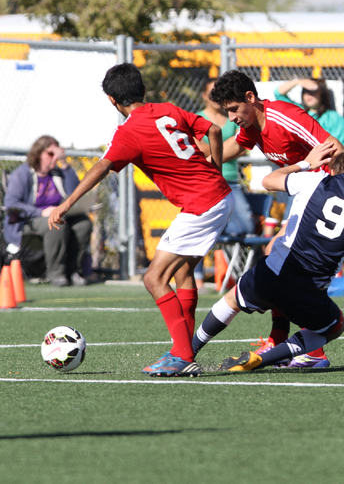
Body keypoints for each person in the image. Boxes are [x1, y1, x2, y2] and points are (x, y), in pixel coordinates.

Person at [48, 63, 233, 377]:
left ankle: (183, 355)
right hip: (218, 196)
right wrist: (213, 168)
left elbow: (101, 168)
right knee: (184, 273)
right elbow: (214, 130)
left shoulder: (128, 132)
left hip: (201, 205)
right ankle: (182, 350)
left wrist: (65, 203)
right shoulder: (167, 110)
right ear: (143, 91)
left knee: (153, 279)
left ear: (111, 100)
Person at [191, 142, 344, 371]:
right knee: (334, 327)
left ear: (332, 170)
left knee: (232, 300)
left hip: (272, 274)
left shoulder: (313, 180)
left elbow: (268, 181)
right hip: (308, 290)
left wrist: (306, 163)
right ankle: (266, 359)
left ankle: (189, 350)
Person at [209, 69, 344, 367]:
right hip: (305, 198)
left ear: (250, 98)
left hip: (325, 196)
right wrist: (203, 157)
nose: (231, 117)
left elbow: (335, 146)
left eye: (233, 109)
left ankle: (311, 350)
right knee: (277, 259)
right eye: (226, 112)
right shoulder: (252, 126)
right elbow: (236, 146)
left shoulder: (284, 116)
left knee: (285, 264)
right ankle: (283, 340)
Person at [3, 135, 92, 287]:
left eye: (58, 154)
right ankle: (56, 274)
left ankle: (74, 272)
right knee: (56, 224)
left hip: (58, 216)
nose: (55, 158)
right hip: (28, 221)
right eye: (51, 154)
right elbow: (11, 203)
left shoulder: (58, 173)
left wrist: (64, 164)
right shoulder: (23, 173)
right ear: (38, 154)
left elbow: (75, 192)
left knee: (84, 223)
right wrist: (41, 213)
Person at [193, 78, 254, 289]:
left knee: (245, 227)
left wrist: (214, 147)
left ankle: (229, 269)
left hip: (231, 181)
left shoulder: (232, 118)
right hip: (206, 180)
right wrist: (221, 148)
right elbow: (196, 149)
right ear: (203, 96)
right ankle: (197, 276)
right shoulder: (197, 119)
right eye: (211, 93)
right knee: (200, 229)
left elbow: (242, 146)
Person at [275, 78, 344, 147]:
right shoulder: (298, 111)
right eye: (306, 91)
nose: (309, 95)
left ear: (322, 93)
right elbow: (278, 94)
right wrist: (297, 82)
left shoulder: (335, 119)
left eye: (313, 91)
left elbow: (340, 147)